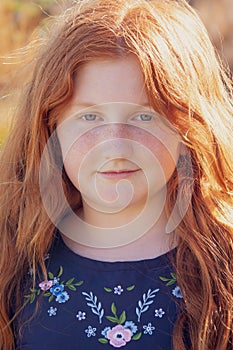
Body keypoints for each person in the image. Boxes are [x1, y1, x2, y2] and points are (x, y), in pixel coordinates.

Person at [0, 0, 232, 349]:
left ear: (188, 128)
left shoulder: (224, 265)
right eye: (89, 117)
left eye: (144, 117)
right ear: (51, 127)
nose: (115, 146)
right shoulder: (11, 256)